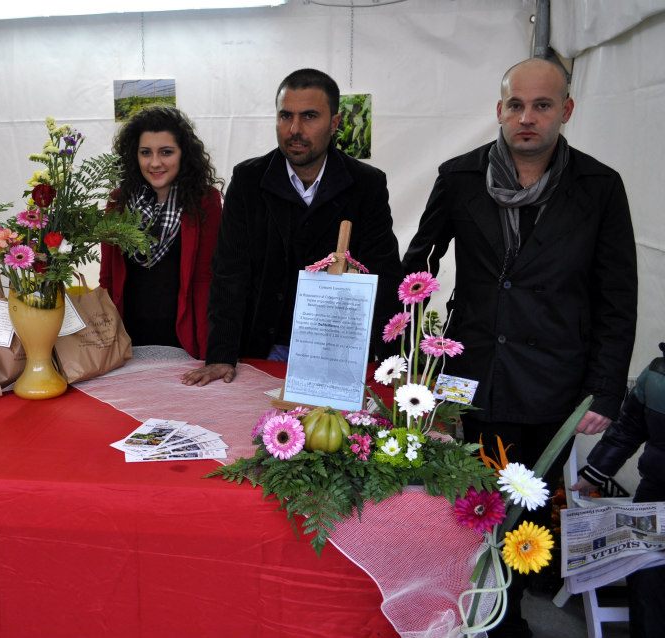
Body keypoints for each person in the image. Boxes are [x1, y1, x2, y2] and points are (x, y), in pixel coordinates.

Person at [402, 57, 638, 636]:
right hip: (473, 371)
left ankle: (511, 607)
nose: (526, 117)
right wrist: (413, 353)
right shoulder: (459, 176)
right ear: (499, 109)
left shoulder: (599, 186)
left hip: (555, 374)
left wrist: (606, 388)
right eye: (515, 105)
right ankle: (483, 610)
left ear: (566, 111)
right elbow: (420, 264)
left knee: (529, 500)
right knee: (474, 495)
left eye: (541, 105)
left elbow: (617, 295)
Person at [182, 68, 402, 386]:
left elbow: (384, 273)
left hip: (338, 352)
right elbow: (230, 272)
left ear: (335, 123)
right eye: (286, 116)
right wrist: (221, 354)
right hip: (261, 350)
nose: (294, 129)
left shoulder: (366, 185)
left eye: (310, 116)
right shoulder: (249, 180)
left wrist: (392, 362)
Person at [100, 106, 223, 360]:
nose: (155, 163)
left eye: (166, 152)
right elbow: (108, 280)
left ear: (183, 154)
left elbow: (206, 280)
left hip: (183, 338)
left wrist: (209, 350)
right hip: (128, 338)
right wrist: (106, 341)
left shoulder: (205, 202)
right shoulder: (118, 203)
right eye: (146, 153)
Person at [571, 342, 665, 638]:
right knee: (647, 576)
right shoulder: (657, 375)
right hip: (655, 494)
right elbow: (627, 431)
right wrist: (595, 474)